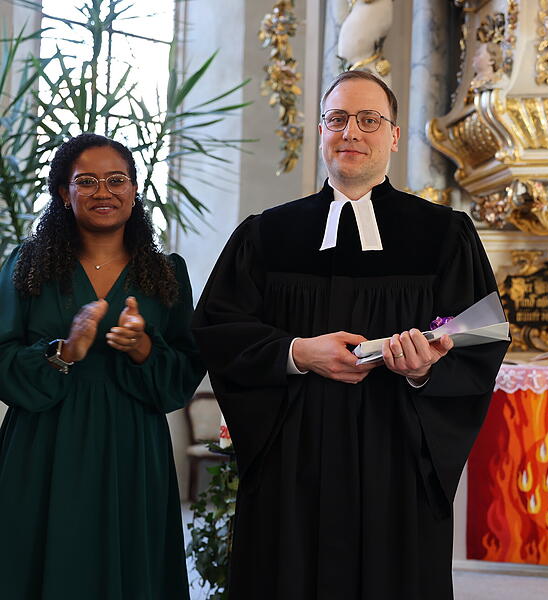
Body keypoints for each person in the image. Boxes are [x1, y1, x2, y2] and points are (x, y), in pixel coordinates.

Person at [192, 70, 509, 600]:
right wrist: (295, 353)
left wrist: (423, 369)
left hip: (397, 460)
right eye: (337, 119)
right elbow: (218, 327)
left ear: (392, 135)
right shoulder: (267, 233)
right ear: (320, 131)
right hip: (293, 461)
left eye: (368, 120)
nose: (351, 133)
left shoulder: (442, 234)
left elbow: (477, 332)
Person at [0, 133, 205, 599]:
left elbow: (183, 374)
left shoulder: (166, 274)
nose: (103, 191)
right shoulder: (26, 266)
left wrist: (141, 349)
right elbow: (2, 358)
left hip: (132, 447)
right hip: (44, 446)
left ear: (134, 191)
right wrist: (62, 352)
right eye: (86, 181)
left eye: (116, 180)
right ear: (63, 193)